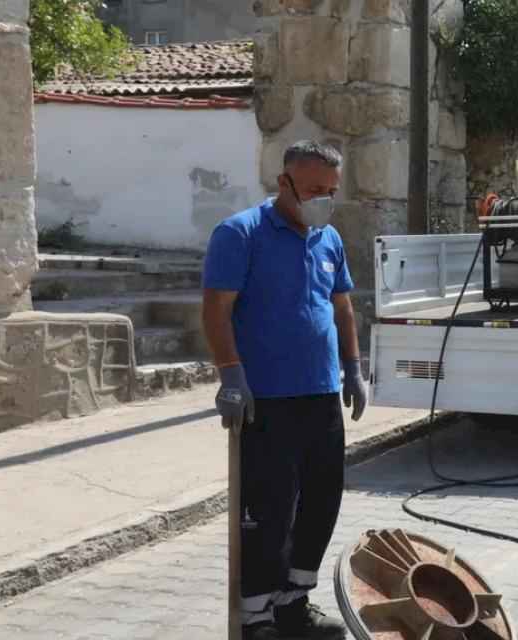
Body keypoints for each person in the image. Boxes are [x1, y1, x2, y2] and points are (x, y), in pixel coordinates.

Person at [202, 140, 368, 640]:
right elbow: (216, 309)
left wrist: (353, 368)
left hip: (320, 394)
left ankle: (295, 602)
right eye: (315, 189)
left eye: (332, 191)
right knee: (269, 509)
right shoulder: (240, 234)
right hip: (266, 399)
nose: (324, 199)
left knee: (321, 501)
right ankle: (255, 615)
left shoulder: (329, 240)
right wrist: (231, 374)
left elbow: (341, 309)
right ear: (285, 184)